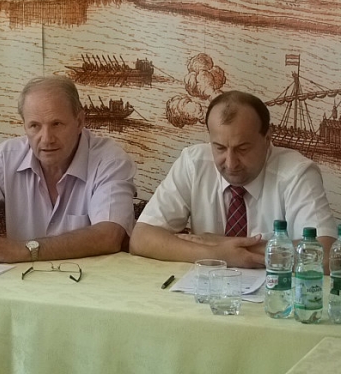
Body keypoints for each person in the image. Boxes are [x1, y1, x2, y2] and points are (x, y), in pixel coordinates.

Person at [0, 75, 136, 263]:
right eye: (35, 126)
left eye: (57, 124)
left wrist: (23, 250)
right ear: (24, 126)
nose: (47, 138)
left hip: (87, 281)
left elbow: (110, 235)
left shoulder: (109, 160)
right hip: (20, 282)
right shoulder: (4, 158)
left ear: (80, 122)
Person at [130, 90, 337, 270]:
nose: (230, 163)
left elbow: (326, 256)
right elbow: (141, 239)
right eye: (220, 148)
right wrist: (215, 253)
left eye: (242, 149)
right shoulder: (193, 163)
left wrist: (222, 244)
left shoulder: (297, 172)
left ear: (267, 139)